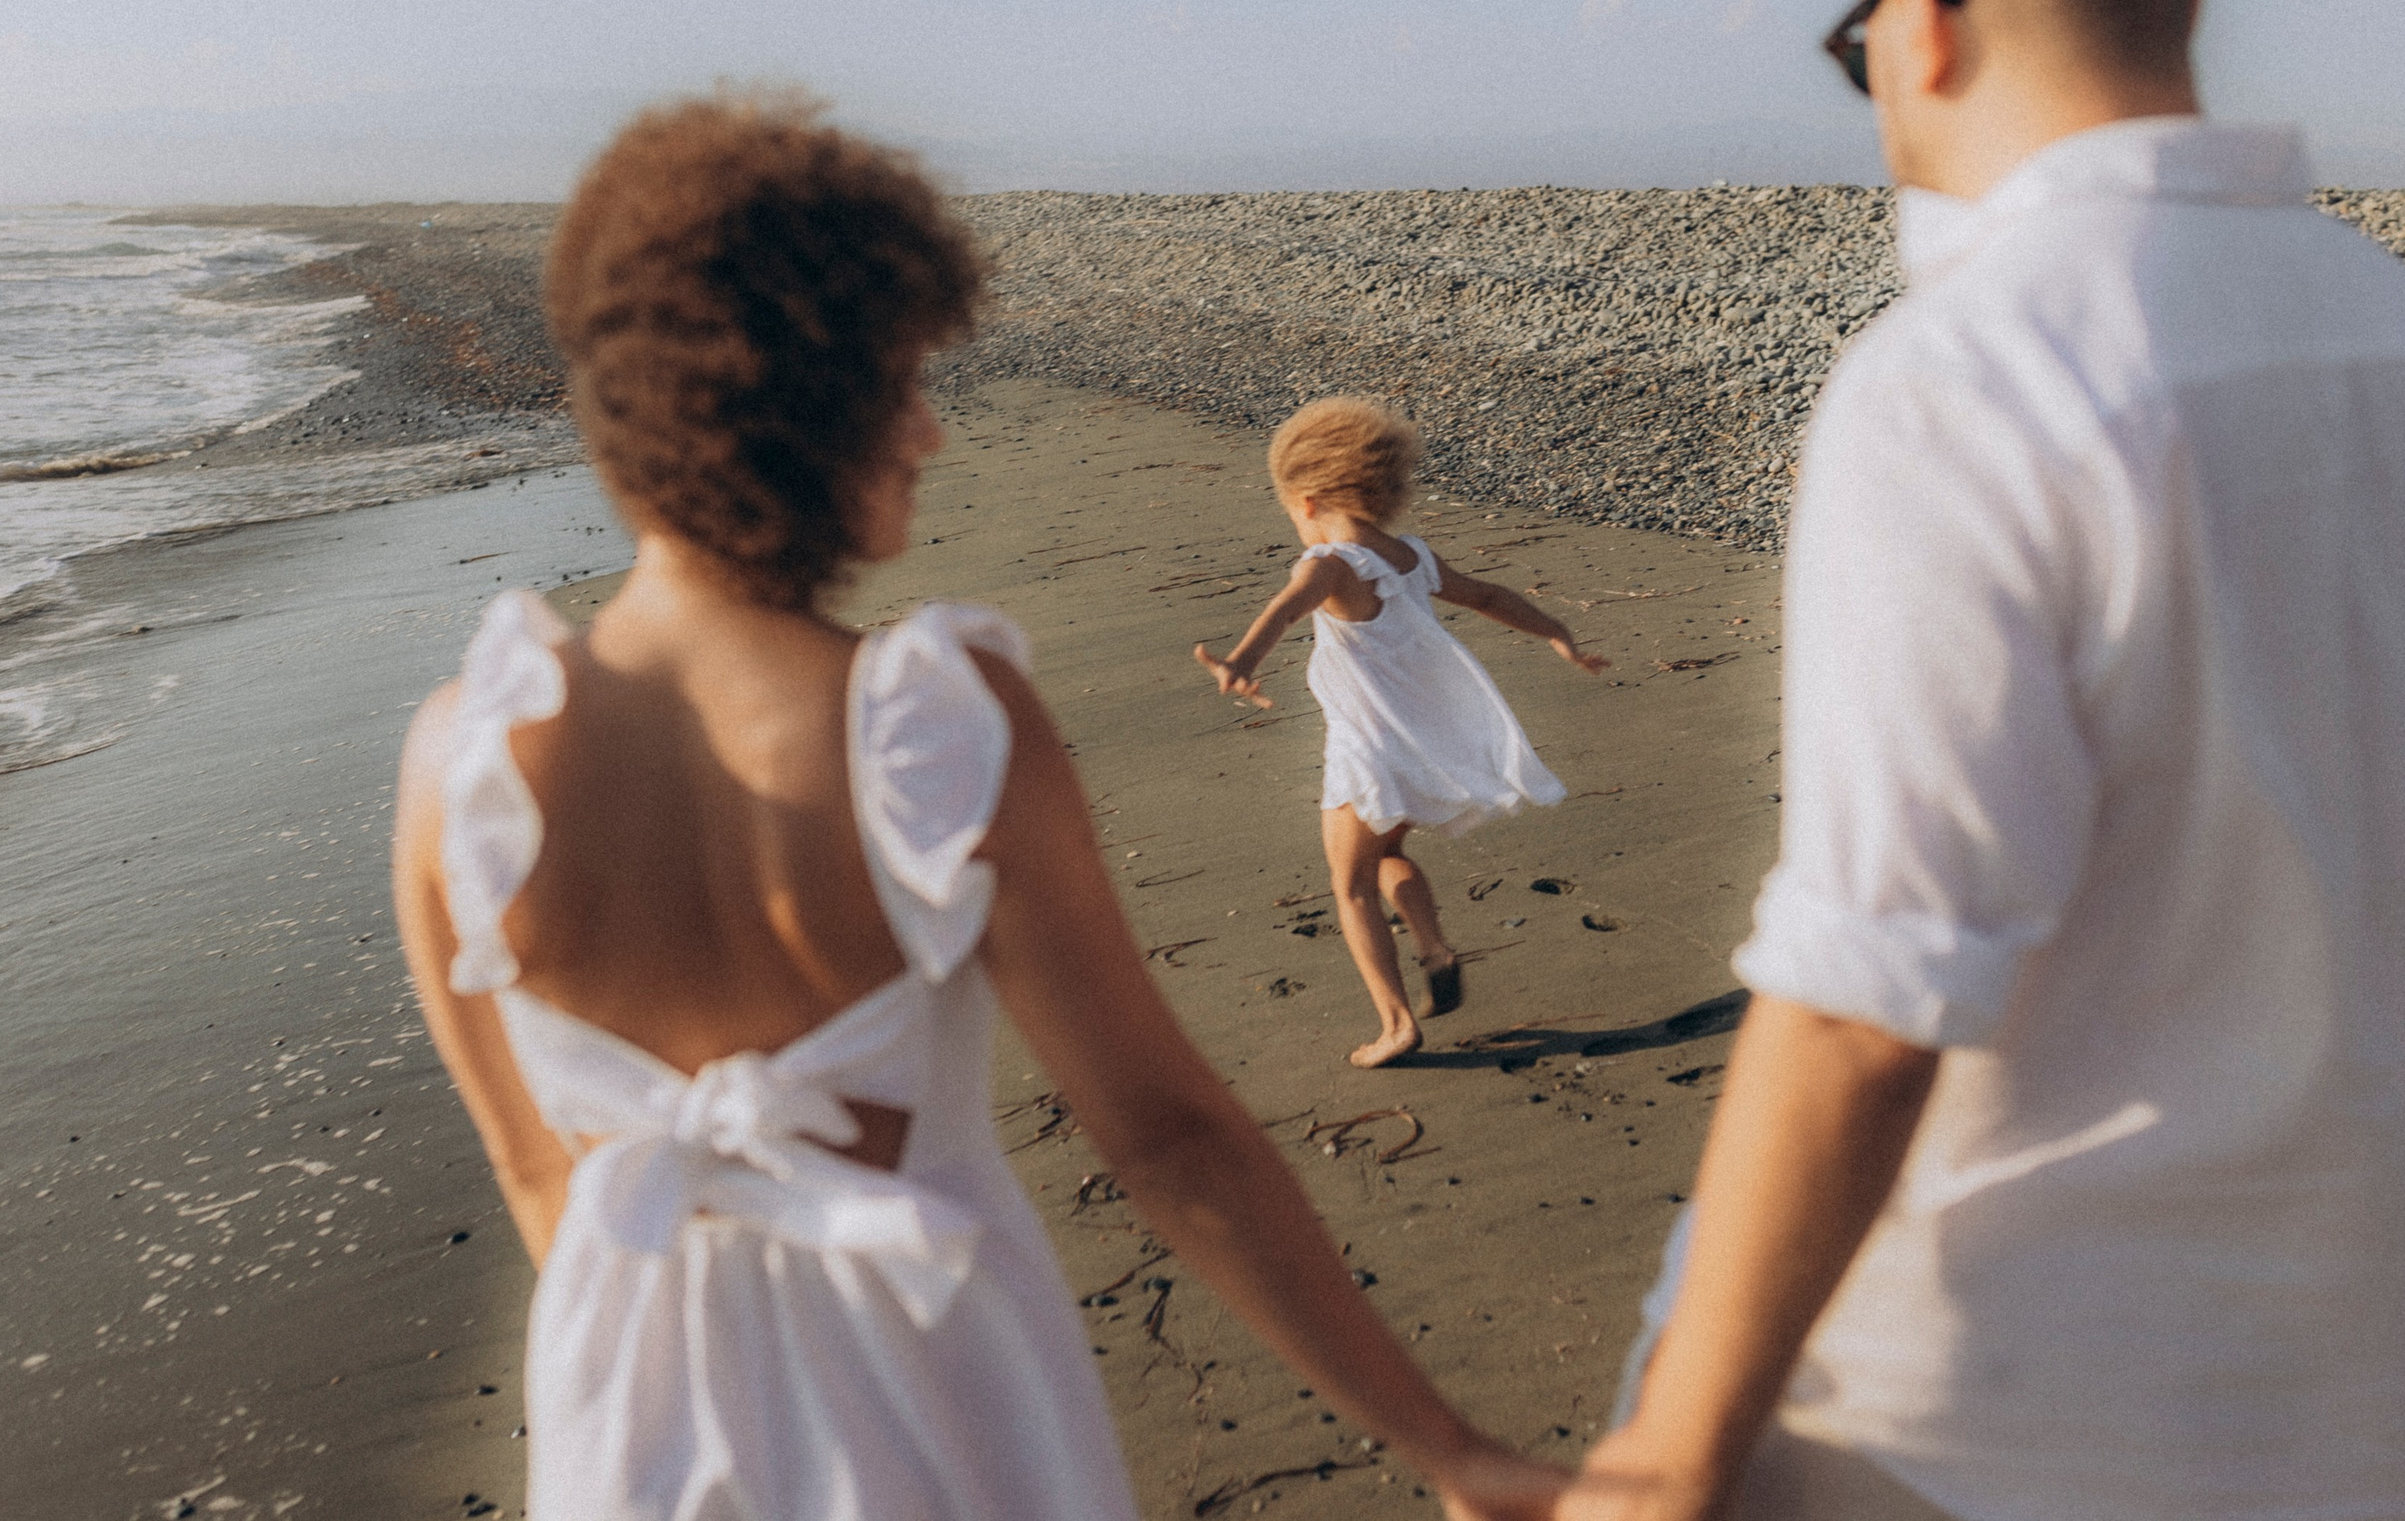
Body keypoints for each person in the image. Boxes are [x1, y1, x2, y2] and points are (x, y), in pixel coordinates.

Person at [390, 95, 1558, 1521]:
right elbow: (1170, 1141)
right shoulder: (932, 723)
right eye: (904, 383)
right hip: (936, 1393)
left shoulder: (460, 761)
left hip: (625, 1423)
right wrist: (1451, 1446)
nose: (932, 433)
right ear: (811, 401)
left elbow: (536, 1171)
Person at [1564, 0, 2405, 1519]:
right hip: (2346, 1415)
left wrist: (1664, 1452)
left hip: (1973, 1425)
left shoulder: (1965, 375)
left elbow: (1871, 991)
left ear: (1912, 24)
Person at [1194, 397, 1607, 1067]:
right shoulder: (1412, 557)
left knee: (1350, 885)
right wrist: (1557, 632)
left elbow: (1285, 608)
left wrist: (1241, 661)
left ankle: (1395, 1024)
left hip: (1367, 757)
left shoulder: (1329, 564)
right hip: (1414, 751)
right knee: (1384, 859)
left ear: (1307, 501)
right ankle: (1433, 948)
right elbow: (1488, 597)